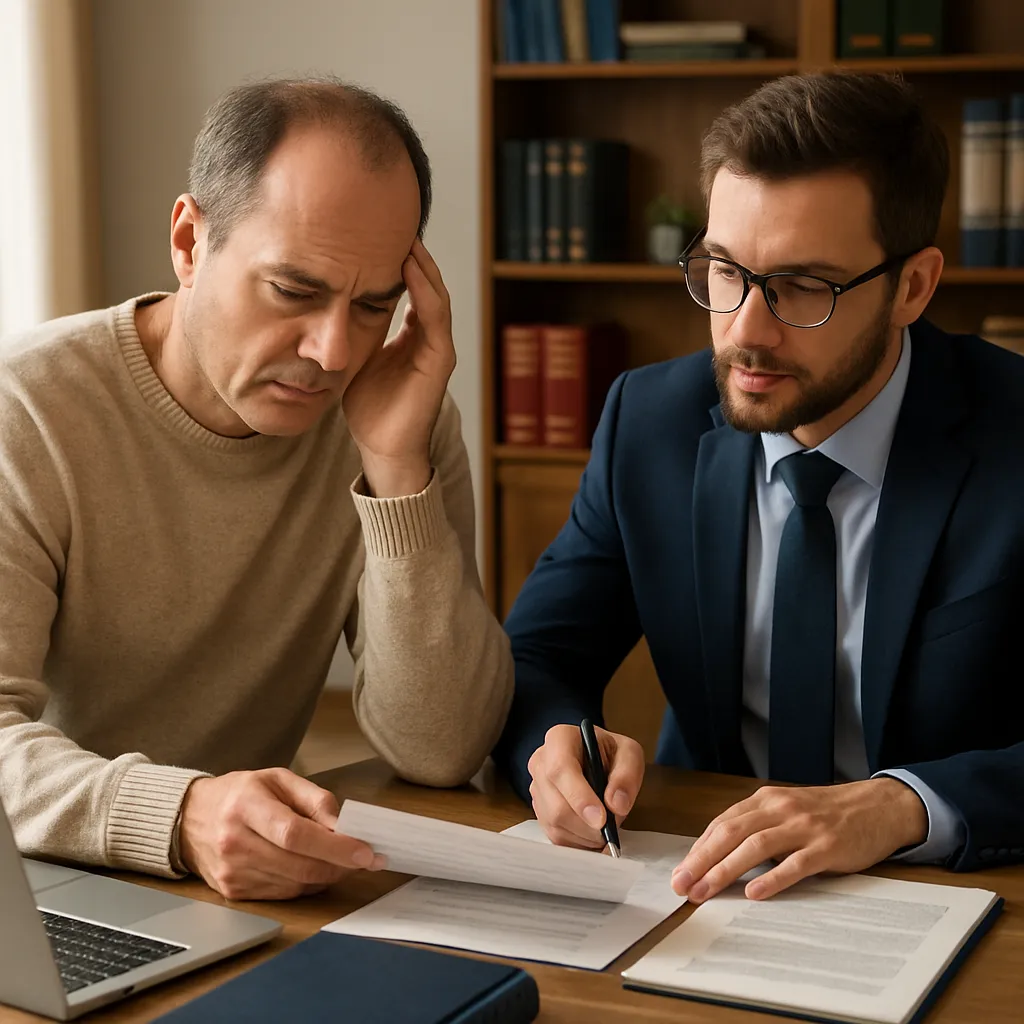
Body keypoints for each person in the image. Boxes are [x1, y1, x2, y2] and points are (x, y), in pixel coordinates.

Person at [493, 71, 1024, 904]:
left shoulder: (1012, 435)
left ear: (912, 288)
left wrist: (902, 807)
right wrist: (554, 743)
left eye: (804, 286)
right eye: (723, 270)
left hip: (951, 892)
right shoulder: (650, 421)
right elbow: (536, 656)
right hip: (700, 881)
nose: (745, 329)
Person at [0, 77, 513, 900]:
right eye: (295, 291)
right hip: (40, 888)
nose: (332, 351)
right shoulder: (25, 408)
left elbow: (442, 748)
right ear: (189, 241)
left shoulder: (393, 419)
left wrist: (395, 473)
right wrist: (182, 815)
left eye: (375, 304)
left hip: (245, 895)